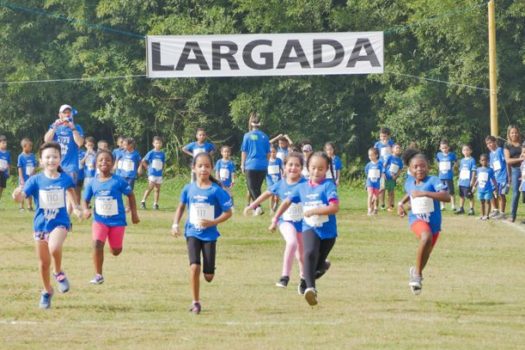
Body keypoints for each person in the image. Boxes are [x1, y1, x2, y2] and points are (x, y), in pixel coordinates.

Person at [12, 142, 82, 308]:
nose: (51, 160)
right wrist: (16, 195)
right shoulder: (35, 180)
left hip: (60, 223)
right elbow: (21, 197)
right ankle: (47, 291)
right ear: (41, 160)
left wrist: (77, 209)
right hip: (40, 225)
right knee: (43, 264)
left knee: (54, 247)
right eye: (48, 157)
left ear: (60, 159)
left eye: (55, 157)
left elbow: (71, 192)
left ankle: (58, 272)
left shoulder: (65, 178)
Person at [270, 152, 339, 306]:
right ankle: (310, 289)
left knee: (317, 264)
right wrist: (276, 218)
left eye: (320, 169)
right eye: (313, 168)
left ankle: (319, 269)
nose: (316, 172)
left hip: (328, 232)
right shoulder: (302, 187)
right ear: (308, 168)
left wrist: (315, 211)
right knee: (308, 254)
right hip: (309, 227)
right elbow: (286, 202)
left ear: (326, 169)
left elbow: (334, 207)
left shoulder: (328, 186)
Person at [170, 152, 233, 314]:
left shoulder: (215, 190)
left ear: (211, 168)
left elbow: (228, 212)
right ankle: (196, 302)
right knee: (194, 266)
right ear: (193, 168)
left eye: (206, 166)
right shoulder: (188, 188)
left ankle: (210, 267)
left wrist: (212, 222)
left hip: (209, 235)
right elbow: (181, 207)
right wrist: (175, 224)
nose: (203, 169)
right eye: (200, 166)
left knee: (208, 276)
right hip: (192, 232)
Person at [244, 152, 306, 290]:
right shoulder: (280, 184)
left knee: (302, 255)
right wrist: (252, 205)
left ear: (301, 168)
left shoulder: (305, 184)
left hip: (302, 223)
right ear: (284, 167)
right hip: (285, 221)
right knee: (291, 242)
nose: (293, 168)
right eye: (290, 164)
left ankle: (303, 279)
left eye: (297, 165)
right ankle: (284, 277)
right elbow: (267, 194)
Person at [82, 150, 140, 285]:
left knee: (116, 251)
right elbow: (85, 199)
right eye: (101, 160)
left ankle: (112, 244)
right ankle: (98, 275)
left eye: (108, 160)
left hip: (117, 221)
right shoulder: (92, 182)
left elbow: (130, 195)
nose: (104, 162)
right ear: (96, 163)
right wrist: (85, 210)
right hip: (100, 220)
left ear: (113, 163)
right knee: (96, 243)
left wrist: (134, 214)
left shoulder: (118, 181)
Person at [398, 151, 450, 295]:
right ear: (410, 169)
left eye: (422, 166)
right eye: (415, 167)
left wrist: (426, 193)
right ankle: (417, 276)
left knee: (426, 255)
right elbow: (410, 193)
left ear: (428, 167)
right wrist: (401, 204)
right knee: (425, 237)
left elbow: (446, 197)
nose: (419, 169)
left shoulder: (433, 181)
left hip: (434, 224)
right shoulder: (409, 182)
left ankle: (416, 272)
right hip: (416, 219)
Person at [43, 104, 85, 212]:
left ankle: (67, 219)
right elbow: (46, 140)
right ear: (59, 115)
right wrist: (54, 127)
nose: (67, 114)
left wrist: (72, 128)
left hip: (71, 166)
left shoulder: (77, 127)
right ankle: (64, 217)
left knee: (68, 190)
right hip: (56, 165)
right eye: (64, 112)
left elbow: (80, 143)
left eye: (68, 112)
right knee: (58, 192)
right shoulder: (55, 127)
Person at [241, 112, 271, 216]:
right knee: (257, 188)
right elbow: (268, 153)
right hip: (262, 165)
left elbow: (244, 151)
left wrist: (242, 164)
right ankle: (256, 209)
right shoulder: (265, 136)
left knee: (251, 187)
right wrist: (266, 164)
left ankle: (258, 207)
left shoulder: (247, 136)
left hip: (251, 165)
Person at [140, 136, 166, 210]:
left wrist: (162, 169)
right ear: (153, 144)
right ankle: (143, 201)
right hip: (152, 173)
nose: (158, 144)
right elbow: (143, 160)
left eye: (160, 143)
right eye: (156, 143)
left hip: (159, 174)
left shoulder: (162, 154)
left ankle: (155, 204)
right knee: (150, 187)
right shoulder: (151, 153)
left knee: (157, 189)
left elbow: (163, 162)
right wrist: (147, 167)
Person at [504, 126, 524, 222]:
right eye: (512, 132)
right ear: (509, 134)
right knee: (516, 193)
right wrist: (520, 159)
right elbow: (508, 161)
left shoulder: (523, 143)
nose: (514, 134)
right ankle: (512, 216)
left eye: (516, 132)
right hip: (515, 170)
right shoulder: (507, 145)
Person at [486, 135, 509, 219]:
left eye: (490, 143)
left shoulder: (500, 150)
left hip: (502, 176)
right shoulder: (491, 154)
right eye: (487, 144)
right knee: (492, 193)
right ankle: (495, 210)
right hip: (495, 178)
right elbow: (492, 167)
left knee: (501, 194)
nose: (489, 145)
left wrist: (508, 176)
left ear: (495, 142)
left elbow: (506, 163)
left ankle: (502, 213)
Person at [473, 154, 497, 220]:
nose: (484, 162)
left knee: (487, 201)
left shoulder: (490, 170)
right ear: (480, 161)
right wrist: (474, 186)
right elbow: (478, 179)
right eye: (482, 160)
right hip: (480, 189)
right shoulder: (478, 170)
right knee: (482, 202)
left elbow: (493, 179)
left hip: (488, 189)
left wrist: (495, 187)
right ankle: (482, 215)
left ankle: (487, 215)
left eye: (485, 160)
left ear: (488, 161)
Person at [435, 139, 457, 211]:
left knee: (451, 191)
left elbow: (456, 162)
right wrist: (439, 167)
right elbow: (437, 161)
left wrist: (453, 168)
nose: (444, 149)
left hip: (449, 176)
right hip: (441, 176)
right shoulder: (439, 155)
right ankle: (442, 206)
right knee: (442, 191)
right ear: (440, 148)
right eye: (443, 148)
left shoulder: (452, 155)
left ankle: (453, 205)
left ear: (448, 147)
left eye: (446, 147)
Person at [456, 144, 477, 215]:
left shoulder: (472, 160)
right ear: (462, 151)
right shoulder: (461, 160)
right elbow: (460, 171)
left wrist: (472, 180)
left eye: (467, 150)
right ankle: (461, 208)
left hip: (468, 182)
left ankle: (472, 209)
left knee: (470, 196)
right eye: (464, 150)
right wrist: (459, 179)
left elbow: (474, 171)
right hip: (462, 181)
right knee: (461, 196)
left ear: (470, 151)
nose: (466, 151)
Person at [17, 138, 36, 211]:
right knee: (22, 191)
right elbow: (19, 167)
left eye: (31, 146)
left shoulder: (32, 155)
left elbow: (34, 165)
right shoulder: (21, 156)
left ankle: (29, 206)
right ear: (24, 146)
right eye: (30, 146)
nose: (31, 147)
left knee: (30, 191)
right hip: (23, 177)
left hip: (30, 177)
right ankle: (21, 207)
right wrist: (21, 177)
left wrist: (33, 173)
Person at [383, 144, 403, 211]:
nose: (398, 149)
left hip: (392, 179)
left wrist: (396, 176)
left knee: (391, 192)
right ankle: (387, 206)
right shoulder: (389, 157)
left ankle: (390, 206)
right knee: (386, 192)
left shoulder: (400, 160)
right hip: (386, 177)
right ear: (392, 150)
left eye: (399, 148)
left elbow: (400, 170)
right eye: (396, 148)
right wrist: (383, 174)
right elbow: (384, 166)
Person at [365, 147, 383, 216]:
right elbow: (367, 172)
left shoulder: (380, 164)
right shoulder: (368, 165)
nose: (370, 157)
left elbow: (382, 173)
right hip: (370, 182)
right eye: (369, 155)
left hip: (377, 183)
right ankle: (369, 209)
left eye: (372, 155)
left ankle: (375, 209)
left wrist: (381, 182)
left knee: (376, 197)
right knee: (370, 195)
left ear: (376, 155)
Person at [266, 145, 284, 212]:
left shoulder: (279, 160)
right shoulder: (267, 160)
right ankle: (271, 209)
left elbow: (282, 169)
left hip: (277, 180)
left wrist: (283, 175)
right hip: (270, 180)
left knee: (277, 196)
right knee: (271, 194)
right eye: (271, 152)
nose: (272, 153)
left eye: (274, 152)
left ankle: (276, 204)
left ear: (276, 152)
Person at [0, 135, 11, 203]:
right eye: (3, 143)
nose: (5, 144)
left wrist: (9, 172)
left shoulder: (7, 153)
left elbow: (8, 163)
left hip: (4, 173)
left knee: (1, 188)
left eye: (5, 143)